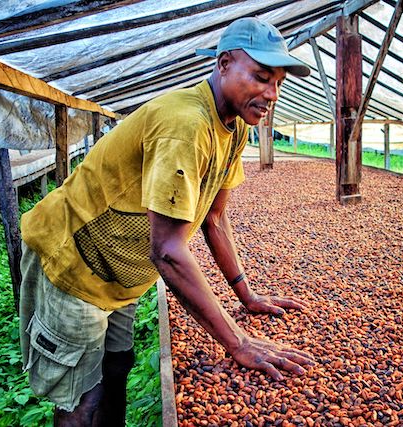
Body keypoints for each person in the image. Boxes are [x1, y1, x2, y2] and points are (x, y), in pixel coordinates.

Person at [19, 17, 314, 426]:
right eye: (262, 77)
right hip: (75, 263)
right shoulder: (186, 124)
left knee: (117, 366)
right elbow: (168, 253)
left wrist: (246, 296)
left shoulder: (235, 127)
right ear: (224, 63)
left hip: (121, 273)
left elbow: (214, 216)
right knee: (82, 398)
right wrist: (238, 342)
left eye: (278, 83)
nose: (271, 93)